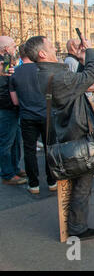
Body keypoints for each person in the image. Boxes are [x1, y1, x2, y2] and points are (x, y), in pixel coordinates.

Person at [26, 35, 94, 241]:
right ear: (42, 53)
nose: (55, 48)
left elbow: (77, 83)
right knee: (82, 186)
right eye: (51, 46)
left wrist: (79, 59)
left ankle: (75, 224)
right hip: (75, 135)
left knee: (79, 185)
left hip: (66, 132)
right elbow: (92, 73)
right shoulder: (58, 77)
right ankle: (77, 228)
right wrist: (89, 51)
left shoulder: (48, 74)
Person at [9, 45, 56, 194]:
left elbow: (15, 101)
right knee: (50, 148)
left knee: (29, 151)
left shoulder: (15, 73)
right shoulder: (44, 70)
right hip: (47, 114)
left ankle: (34, 184)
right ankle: (52, 181)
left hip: (27, 116)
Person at [0, 36, 27, 186]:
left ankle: (14, 168)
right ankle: (7, 173)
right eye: (13, 46)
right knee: (6, 142)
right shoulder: (3, 63)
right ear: (5, 49)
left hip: (11, 108)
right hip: (6, 109)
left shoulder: (5, 62)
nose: (15, 48)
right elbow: (4, 86)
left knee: (16, 140)